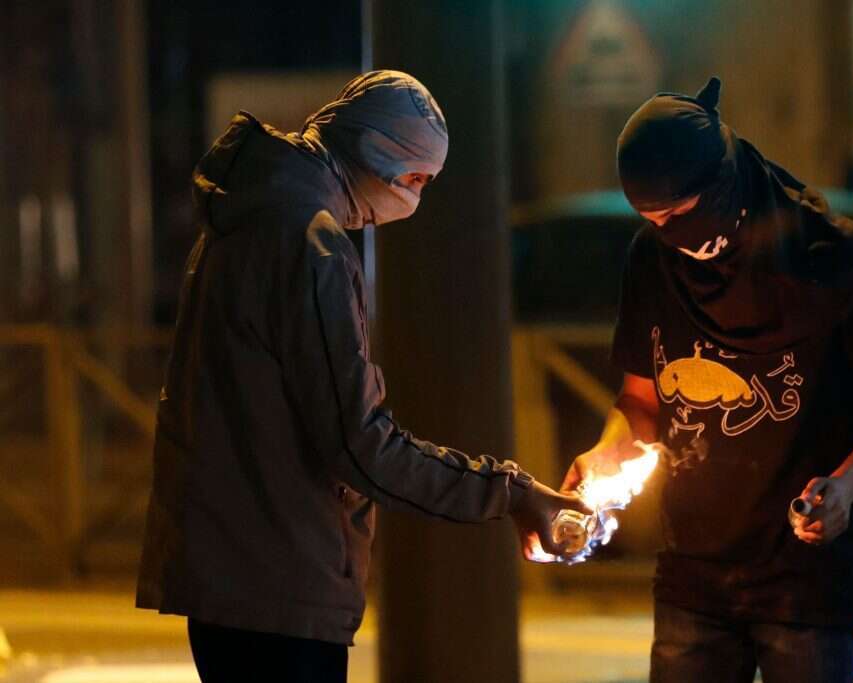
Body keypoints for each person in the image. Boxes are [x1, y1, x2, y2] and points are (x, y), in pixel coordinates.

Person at [136, 70, 587, 683]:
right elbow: (360, 443)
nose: (414, 201)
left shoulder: (239, 222)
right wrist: (511, 493)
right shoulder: (309, 245)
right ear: (379, 153)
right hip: (281, 584)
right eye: (416, 179)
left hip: (226, 576)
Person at [558, 78, 853, 683]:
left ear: (720, 183)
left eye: (678, 214)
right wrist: (606, 450)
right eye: (651, 219)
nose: (668, 233)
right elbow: (639, 399)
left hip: (806, 579)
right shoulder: (650, 259)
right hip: (693, 571)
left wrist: (844, 488)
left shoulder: (830, 253)